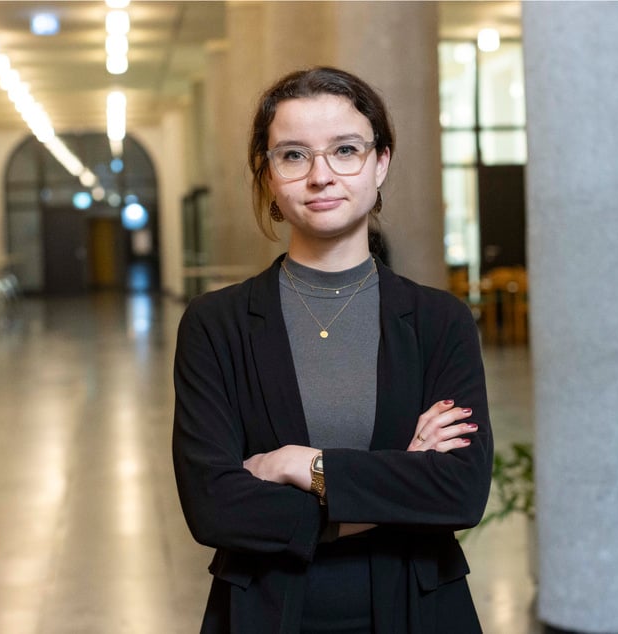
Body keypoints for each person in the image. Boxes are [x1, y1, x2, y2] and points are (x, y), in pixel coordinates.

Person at [172, 66, 493, 634]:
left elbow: (458, 492)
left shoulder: (439, 322)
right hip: (264, 613)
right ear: (268, 176)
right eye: (294, 155)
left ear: (380, 162)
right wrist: (399, 483)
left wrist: (304, 466)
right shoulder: (215, 325)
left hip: (420, 610)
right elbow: (215, 506)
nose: (321, 175)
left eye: (345, 149)